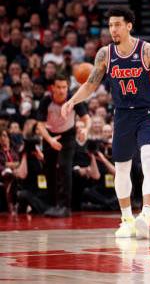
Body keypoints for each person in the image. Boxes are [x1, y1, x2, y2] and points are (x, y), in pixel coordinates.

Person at [61, 6, 150, 239]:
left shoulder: (148, 51)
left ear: (129, 26)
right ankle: (127, 220)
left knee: (149, 160)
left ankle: (145, 216)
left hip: (149, 113)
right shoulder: (105, 55)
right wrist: (72, 101)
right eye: (110, 25)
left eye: (117, 25)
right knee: (121, 168)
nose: (113, 30)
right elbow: (90, 85)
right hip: (122, 116)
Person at [36, 73, 90, 217]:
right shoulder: (46, 101)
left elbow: (86, 118)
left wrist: (85, 129)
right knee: (49, 170)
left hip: (68, 136)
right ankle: (53, 205)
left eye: (64, 87)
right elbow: (40, 125)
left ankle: (65, 207)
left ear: (68, 87)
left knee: (65, 167)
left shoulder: (73, 99)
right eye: (58, 87)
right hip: (50, 136)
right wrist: (50, 140)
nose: (61, 90)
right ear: (52, 88)